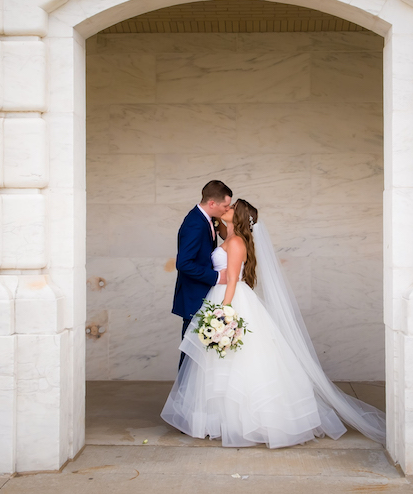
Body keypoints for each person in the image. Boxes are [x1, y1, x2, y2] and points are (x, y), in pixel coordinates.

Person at [162, 199, 387, 449]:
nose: (226, 209)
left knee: (239, 360)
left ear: (239, 217)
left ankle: (243, 422)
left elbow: (233, 281)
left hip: (230, 299)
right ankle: (218, 420)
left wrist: (223, 312)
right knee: (219, 362)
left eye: (231, 208)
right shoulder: (228, 237)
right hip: (221, 296)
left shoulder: (236, 243)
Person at [171, 180, 232, 369]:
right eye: (225, 205)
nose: (227, 209)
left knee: (199, 354)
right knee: (191, 356)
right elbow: (184, 263)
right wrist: (215, 277)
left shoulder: (207, 218)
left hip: (203, 295)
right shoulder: (195, 224)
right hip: (194, 297)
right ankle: (182, 398)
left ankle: (190, 397)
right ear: (212, 203)